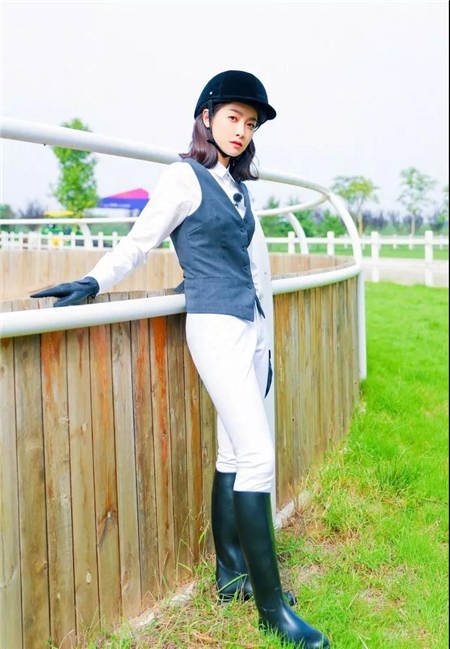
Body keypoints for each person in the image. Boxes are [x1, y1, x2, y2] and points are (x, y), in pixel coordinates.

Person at [31, 70, 330, 649]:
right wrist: (93, 281)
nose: (241, 131)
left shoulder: (238, 188)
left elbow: (259, 274)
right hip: (215, 328)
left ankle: (231, 575)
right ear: (207, 117)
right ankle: (272, 612)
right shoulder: (182, 177)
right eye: (233, 118)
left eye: (250, 123)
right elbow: (139, 242)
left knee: (233, 452)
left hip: (250, 329)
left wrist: (266, 345)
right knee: (258, 457)